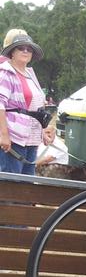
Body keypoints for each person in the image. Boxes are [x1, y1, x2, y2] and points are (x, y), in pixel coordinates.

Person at [0, 29, 54, 175]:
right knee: (12, 183)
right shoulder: (5, 72)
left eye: (29, 49)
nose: (25, 51)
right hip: (13, 137)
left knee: (27, 184)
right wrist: (3, 135)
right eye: (21, 48)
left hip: (31, 138)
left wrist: (43, 131)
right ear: (12, 52)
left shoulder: (30, 73)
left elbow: (36, 107)